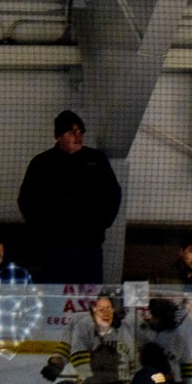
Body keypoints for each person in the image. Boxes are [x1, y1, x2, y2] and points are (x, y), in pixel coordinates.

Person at [17, 109, 122, 283]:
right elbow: (26, 200)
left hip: (89, 244)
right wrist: (43, 231)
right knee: (57, 297)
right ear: (59, 136)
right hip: (55, 246)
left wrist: (101, 223)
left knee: (89, 296)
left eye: (81, 132)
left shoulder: (97, 159)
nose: (78, 136)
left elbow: (113, 193)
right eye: (72, 132)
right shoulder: (42, 163)